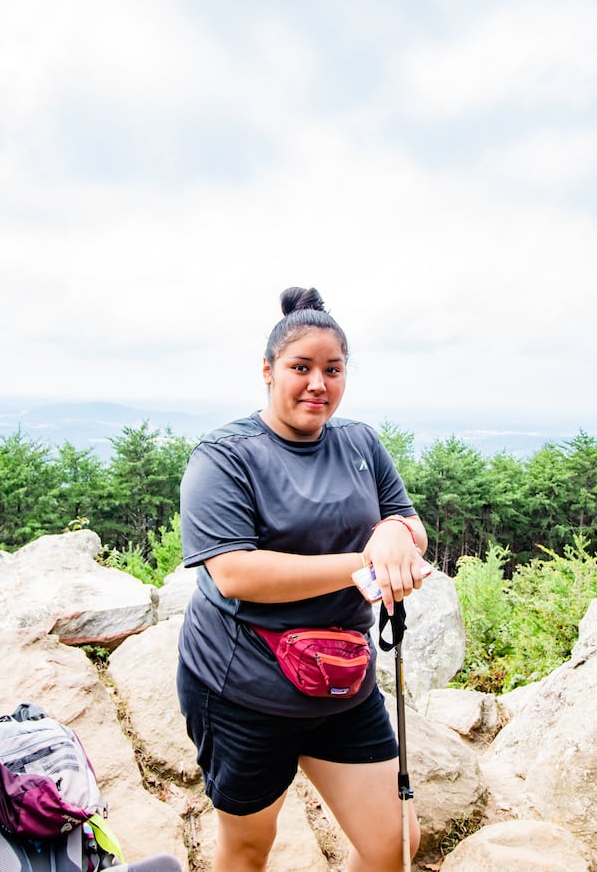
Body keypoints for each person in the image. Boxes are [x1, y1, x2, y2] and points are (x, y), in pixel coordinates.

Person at [177, 286, 429, 872]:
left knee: (394, 844)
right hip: (244, 689)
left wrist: (396, 532)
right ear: (268, 371)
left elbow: (409, 527)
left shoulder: (360, 443)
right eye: (301, 367)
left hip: (343, 682)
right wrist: (367, 560)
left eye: (333, 370)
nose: (319, 383)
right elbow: (237, 573)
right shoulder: (224, 457)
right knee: (247, 849)